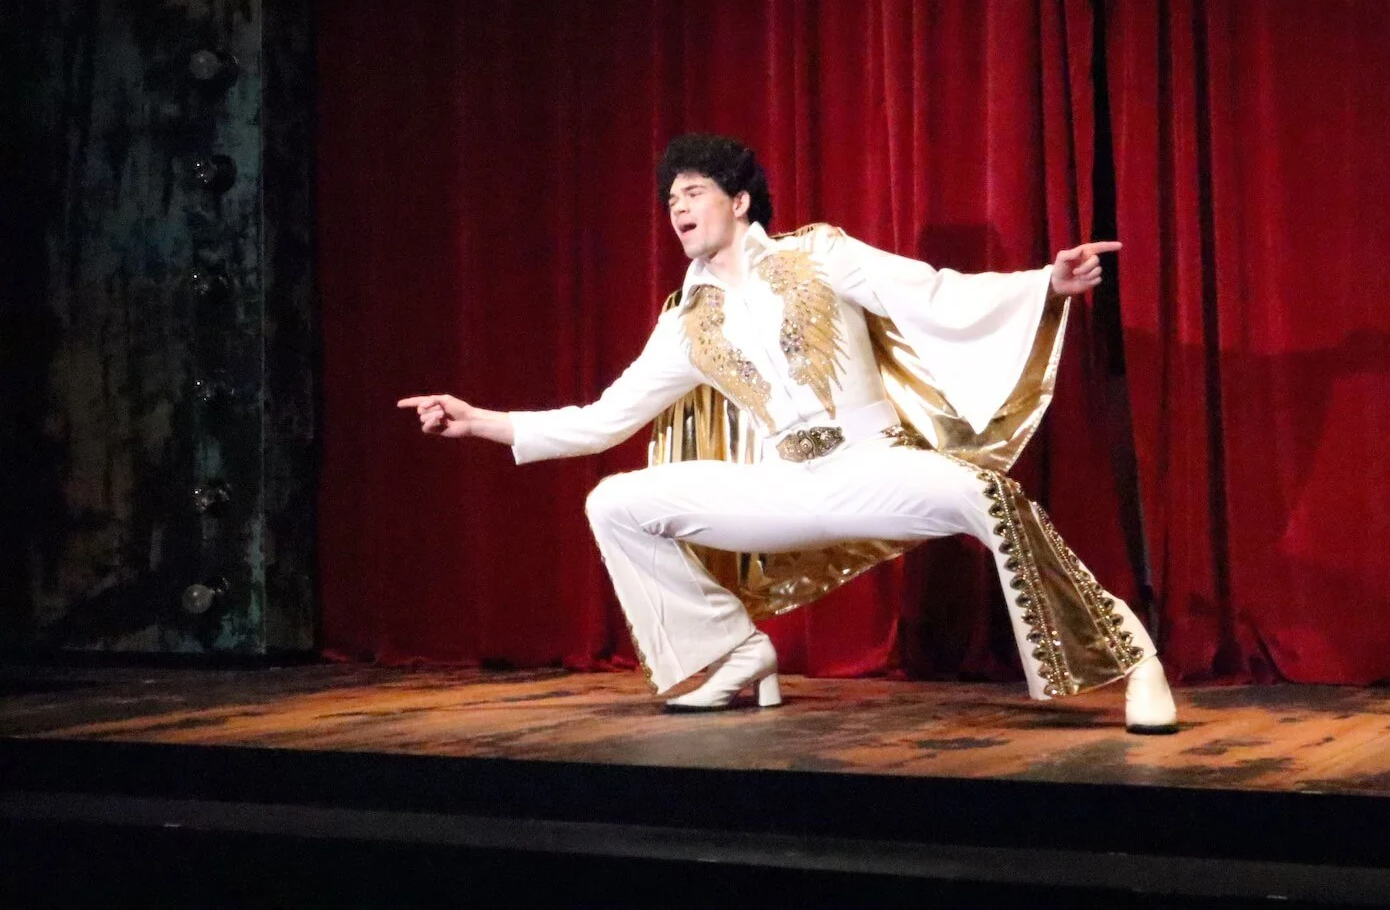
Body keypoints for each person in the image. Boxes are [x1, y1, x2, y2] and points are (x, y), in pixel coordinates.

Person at [400, 134, 1178, 732]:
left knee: (990, 496)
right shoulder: (688, 321)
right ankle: (732, 651)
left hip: (872, 467)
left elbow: (930, 292)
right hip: (781, 487)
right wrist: (479, 421)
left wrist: (1046, 282)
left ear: (739, 201)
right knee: (616, 501)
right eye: (670, 198)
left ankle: (1132, 659)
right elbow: (605, 419)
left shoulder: (819, 255)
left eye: (693, 190)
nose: (677, 207)